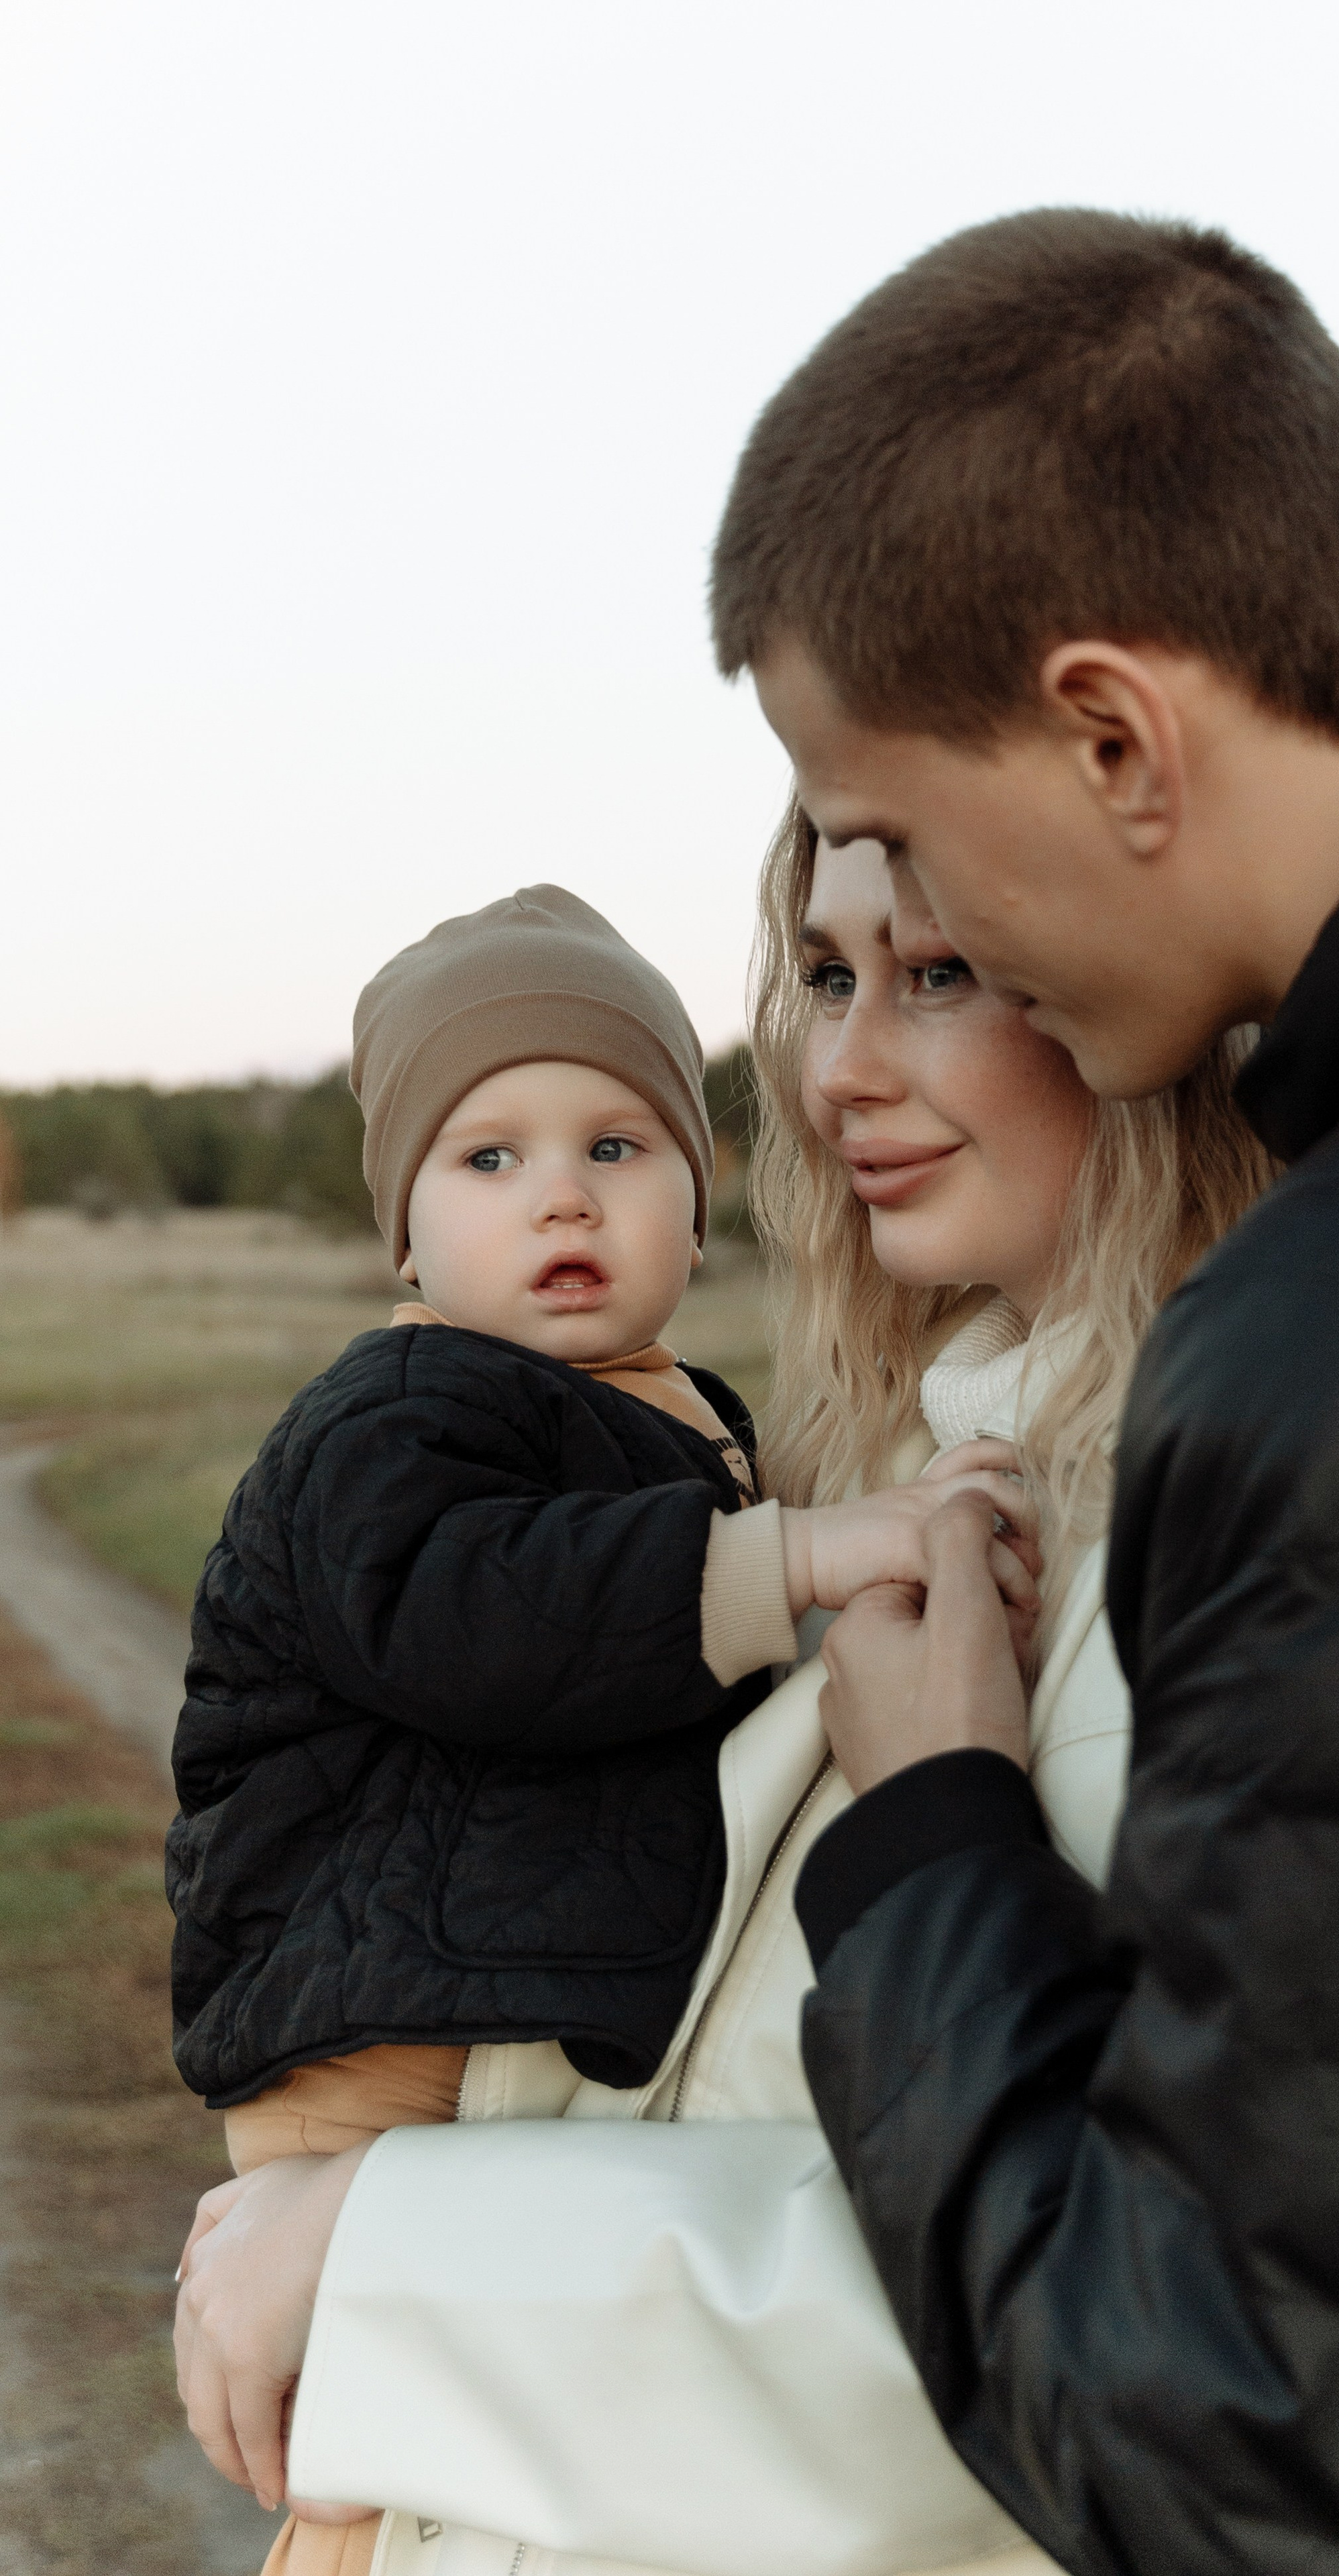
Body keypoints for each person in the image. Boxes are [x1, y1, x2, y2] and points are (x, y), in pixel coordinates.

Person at [175, 207, 1339, 2572]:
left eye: (930, 906)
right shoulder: (904, 1455)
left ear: (1113, 735)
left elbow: (1229, 2383)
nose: (860, 1045)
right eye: (821, 959)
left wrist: (403, 2269)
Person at [167, 879, 1034, 2576]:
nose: (558, 1193)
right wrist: (795, 1556)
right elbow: (479, 1613)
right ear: (403, 1237)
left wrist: (880, 1525)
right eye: (486, 1158)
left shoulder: (674, 1413)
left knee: (425, 2380)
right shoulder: (398, 1415)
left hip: (479, 1988)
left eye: (617, 1148)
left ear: (694, 1209)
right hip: (368, 2009)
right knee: (371, 2388)